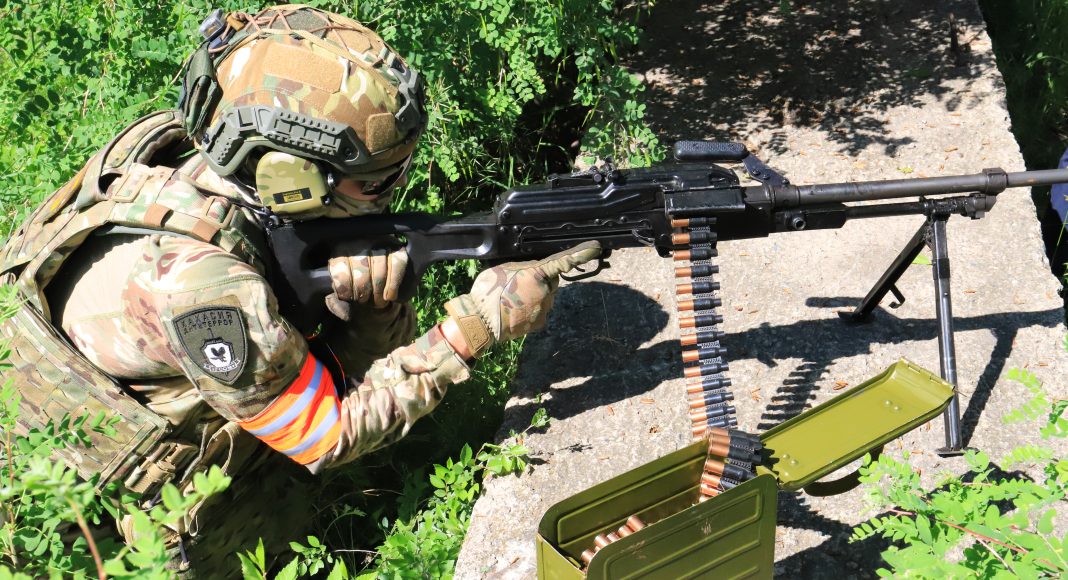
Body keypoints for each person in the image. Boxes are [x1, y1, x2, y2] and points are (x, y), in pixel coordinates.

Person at [0, 5, 598, 574]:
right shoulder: (203, 291)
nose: (393, 191)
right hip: (87, 524)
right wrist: (475, 328)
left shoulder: (183, 158)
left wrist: (370, 308)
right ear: (288, 178)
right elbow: (324, 436)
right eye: (376, 182)